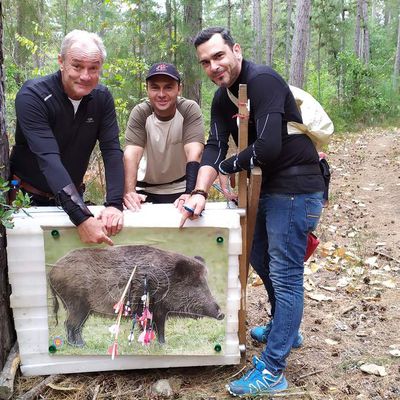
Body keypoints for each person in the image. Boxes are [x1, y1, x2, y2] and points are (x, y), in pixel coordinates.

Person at [180, 27, 325, 397]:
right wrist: (198, 190)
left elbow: (270, 146)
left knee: (286, 272)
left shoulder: (263, 81)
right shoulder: (221, 98)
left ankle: (274, 370)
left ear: (236, 50)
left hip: (296, 188)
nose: (214, 66)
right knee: (259, 256)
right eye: (206, 62)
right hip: (265, 190)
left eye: (219, 56)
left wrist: (227, 168)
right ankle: (285, 328)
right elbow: (213, 146)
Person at [10, 30, 124, 246]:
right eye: (77, 66)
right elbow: (48, 158)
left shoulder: (102, 98)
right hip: (27, 199)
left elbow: (111, 150)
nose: (85, 76)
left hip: (72, 198)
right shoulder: (33, 96)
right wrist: (81, 218)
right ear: (61, 62)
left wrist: (114, 204)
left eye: (93, 68)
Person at [123, 62, 204, 210]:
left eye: (168, 87)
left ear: (179, 89)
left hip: (181, 188)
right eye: (155, 87)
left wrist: (190, 192)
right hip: (144, 190)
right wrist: (129, 192)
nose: (161, 94)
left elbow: (195, 152)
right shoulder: (140, 113)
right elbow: (131, 155)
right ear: (147, 89)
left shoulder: (189, 110)